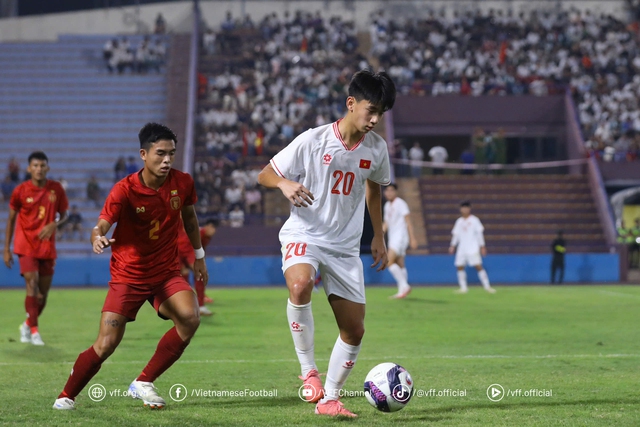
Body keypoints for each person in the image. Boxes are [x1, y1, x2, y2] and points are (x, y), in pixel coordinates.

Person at [257, 69, 395, 418]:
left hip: (345, 247)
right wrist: (285, 184)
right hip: (306, 235)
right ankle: (308, 371)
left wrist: (378, 235)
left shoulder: (377, 149)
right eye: (371, 110)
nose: (375, 119)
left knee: (354, 329)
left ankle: (330, 399)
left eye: (381, 113)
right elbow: (265, 173)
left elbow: (374, 189)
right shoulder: (314, 140)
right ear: (351, 104)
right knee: (301, 284)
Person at [53, 123, 208, 410]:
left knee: (190, 317)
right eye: (160, 154)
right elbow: (100, 224)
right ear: (143, 154)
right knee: (106, 344)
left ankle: (144, 381)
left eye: (171, 154)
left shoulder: (183, 183)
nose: (167, 160)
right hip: (129, 275)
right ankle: (66, 395)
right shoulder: (124, 190)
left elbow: (190, 218)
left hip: (165, 272)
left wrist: (199, 255)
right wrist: (97, 237)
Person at [3, 151, 69, 346]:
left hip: (47, 247)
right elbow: (11, 219)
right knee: (31, 285)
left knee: (42, 295)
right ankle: (34, 331)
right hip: (26, 245)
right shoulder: (20, 191)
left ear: (47, 168)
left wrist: (54, 224)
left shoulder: (56, 189)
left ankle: (27, 324)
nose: (39, 169)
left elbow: (65, 214)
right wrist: (6, 248)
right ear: (29, 168)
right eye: (35, 166)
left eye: (42, 166)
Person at [449, 200, 495, 294]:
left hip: (472, 247)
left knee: (478, 266)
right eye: (463, 208)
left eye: (466, 208)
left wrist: (482, 246)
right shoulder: (459, 221)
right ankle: (463, 288)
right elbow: (456, 235)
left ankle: (487, 286)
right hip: (462, 248)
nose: (464, 210)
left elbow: (479, 234)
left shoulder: (474, 220)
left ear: (469, 209)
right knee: (459, 266)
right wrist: (452, 245)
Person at [177, 219, 218, 316]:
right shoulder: (200, 232)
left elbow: (202, 248)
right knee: (196, 274)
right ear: (208, 227)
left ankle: (193, 306)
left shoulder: (206, 236)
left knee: (187, 274)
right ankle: (195, 306)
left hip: (182, 250)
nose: (214, 231)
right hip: (183, 250)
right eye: (212, 228)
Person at [383, 184, 417, 298]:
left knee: (389, 261)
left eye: (391, 190)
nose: (389, 193)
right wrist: (379, 235)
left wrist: (412, 238)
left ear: (396, 192)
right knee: (400, 263)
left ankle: (405, 286)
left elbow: (408, 221)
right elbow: (386, 223)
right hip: (393, 237)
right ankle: (402, 291)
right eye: (387, 191)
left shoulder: (400, 203)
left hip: (400, 236)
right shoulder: (387, 205)